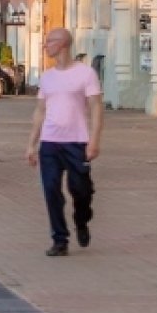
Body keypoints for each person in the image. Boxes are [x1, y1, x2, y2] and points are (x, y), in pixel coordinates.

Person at [25, 27, 103, 257]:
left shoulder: (85, 74)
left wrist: (94, 140)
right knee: (51, 190)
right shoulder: (47, 77)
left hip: (76, 141)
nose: (45, 46)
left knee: (80, 190)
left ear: (62, 44)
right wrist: (32, 144)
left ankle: (81, 220)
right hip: (50, 142)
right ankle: (59, 239)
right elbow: (40, 111)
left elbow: (96, 107)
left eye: (49, 42)